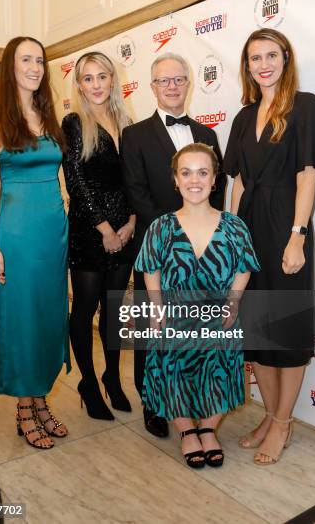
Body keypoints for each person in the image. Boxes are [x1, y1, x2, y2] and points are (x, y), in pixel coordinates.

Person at [224, 28, 315, 465]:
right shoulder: (242, 117)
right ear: (247, 66)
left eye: (272, 55)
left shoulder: (304, 106)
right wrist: (233, 238)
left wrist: (298, 235)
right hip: (250, 228)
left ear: (286, 59)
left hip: (285, 228)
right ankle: (270, 415)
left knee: (286, 332)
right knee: (258, 332)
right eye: (255, 58)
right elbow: (237, 182)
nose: (264, 64)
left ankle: (284, 423)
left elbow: (307, 173)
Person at [0, 36, 70, 450]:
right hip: (17, 230)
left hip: (53, 230)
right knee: (23, 318)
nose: (35, 67)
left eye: (40, 61)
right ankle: (24, 408)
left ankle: (41, 398)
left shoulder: (48, 113)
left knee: (49, 315)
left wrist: (63, 196)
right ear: (10, 65)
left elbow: (57, 167)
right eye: (26, 59)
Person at [121, 52, 226, 438]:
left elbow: (219, 187)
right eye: (163, 81)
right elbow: (136, 190)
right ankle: (152, 403)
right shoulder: (133, 135)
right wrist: (171, 237)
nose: (172, 86)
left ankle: (194, 395)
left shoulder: (209, 135)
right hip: (158, 247)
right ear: (152, 87)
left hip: (204, 251)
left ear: (189, 83)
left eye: (178, 79)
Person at [135, 143, 259, 468]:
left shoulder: (235, 226)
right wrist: (157, 307)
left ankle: (208, 428)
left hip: (219, 318)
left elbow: (244, 267)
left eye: (203, 172)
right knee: (173, 372)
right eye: (186, 172)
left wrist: (233, 301)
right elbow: (150, 268)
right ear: (175, 179)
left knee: (219, 372)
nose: (195, 180)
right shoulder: (161, 227)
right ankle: (187, 430)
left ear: (215, 179)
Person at [62, 51, 135, 420]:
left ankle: (112, 378)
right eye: (88, 79)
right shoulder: (75, 122)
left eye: (102, 76)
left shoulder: (126, 122)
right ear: (79, 85)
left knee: (114, 309)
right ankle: (88, 383)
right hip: (91, 231)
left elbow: (136, 179)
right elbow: (76, 182)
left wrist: (132, 221)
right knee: (86, 308)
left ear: (113, 79)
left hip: (126, 228)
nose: (96, 85)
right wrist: (105, 228)